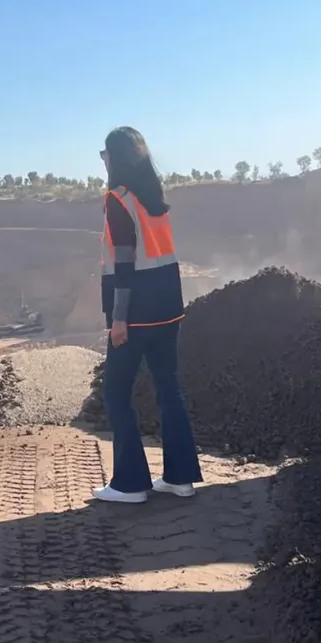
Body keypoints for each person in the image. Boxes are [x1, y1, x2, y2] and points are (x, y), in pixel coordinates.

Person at [95, 126, 202, 504]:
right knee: (169, 389)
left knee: (116, 393)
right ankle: (180, 479)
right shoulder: (154, 200)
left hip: (135, 314)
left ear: (116, 158)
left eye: (104, 153)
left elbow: (124, 263)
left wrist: (119, 318)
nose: (103, 160)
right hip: (168, 310)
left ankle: (130, 485)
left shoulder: (118, 199)